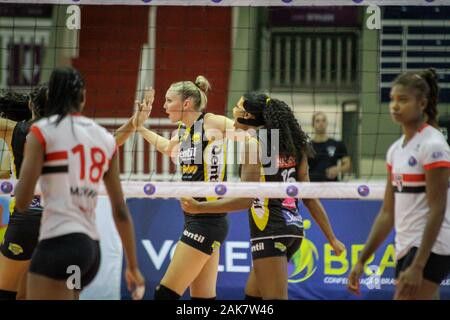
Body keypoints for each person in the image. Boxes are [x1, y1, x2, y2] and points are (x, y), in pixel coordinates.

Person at [181, 93, 345, 299]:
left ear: (248, 115)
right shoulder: (294, 145)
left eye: (237, 107)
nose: (233, 111)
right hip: (293, 230)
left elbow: (245, 200)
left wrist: (200, 207)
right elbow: (309, 197)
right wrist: (332, 238)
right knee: (252, 298)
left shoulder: (253, 145)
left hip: (270, 232)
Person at [13, 67, 145, 300]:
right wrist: (133, 266)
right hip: (89, 250)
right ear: (83, 97)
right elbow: (121, 211)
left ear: (51, 98)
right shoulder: (104, 138)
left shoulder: (41, 132)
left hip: (58, 244)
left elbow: (22, 200)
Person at [348, 68, 450, 300]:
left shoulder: (433, 145)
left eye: (403, 100)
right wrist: (362, 260)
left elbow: (438, 208)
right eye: (392, 99)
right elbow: (387, 212)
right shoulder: (395, 150)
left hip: (431, 246)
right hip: (407, 244)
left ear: (422, 103)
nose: (394, 106)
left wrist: (418, 266)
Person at [131, 75, 234, 300]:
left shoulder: (211, 122)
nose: (164, 105)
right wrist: (139, 127)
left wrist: (263, 167)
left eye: (169, 101)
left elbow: (252, 133)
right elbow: (169, 149)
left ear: (186, 103)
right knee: (202, 300)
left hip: (207, 220)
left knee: (164, 294)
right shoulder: (183, 131)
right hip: (197, 220)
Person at [0, 85, 48, 300]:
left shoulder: (17, 131)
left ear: (30, 105)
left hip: (26, 215)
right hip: (65, 219)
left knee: (10, 292)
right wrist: (134, 125)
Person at [308, 112, 351, 181]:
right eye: (317, 121)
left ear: (327, 123)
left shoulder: (337, 144)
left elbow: (347, 165)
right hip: (313, 186)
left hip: (332, 186)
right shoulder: (308, 147)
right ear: (313, 124)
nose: (321, 123)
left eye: (323, 120)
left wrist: (337, 169)